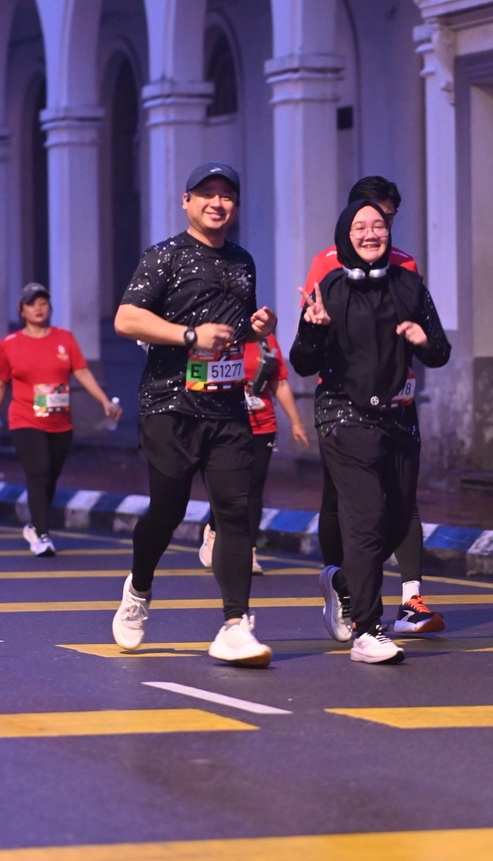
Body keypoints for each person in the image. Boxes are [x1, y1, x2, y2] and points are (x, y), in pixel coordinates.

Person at [112, 161, 276, 667]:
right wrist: (189, 335)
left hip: (227, 407)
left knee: (234, 513)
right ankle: (138, 589)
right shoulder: (164, 256)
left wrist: (257, 327)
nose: (216, 203)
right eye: (206, 193)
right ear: (187, 201)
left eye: (226, 195)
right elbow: (126, 318)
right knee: (168, 511)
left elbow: (232, 329)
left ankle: (235, 624)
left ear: (236, 206)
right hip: (170, 405)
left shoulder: (243, 261)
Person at [290, 199, 451, 664]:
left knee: (397, 521)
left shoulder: (410, 285)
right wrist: (313, 329)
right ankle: (367, 631)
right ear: (346, 235)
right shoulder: (329, 289)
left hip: (398, 418)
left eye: (377, 225)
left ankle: (343, 581)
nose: (370, 234)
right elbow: (302, 362)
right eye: (359, 227)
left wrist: (423, 340)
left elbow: (440, 350)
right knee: (366, 520)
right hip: (344, 415)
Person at [0, 282, 122, 556]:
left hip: (60, 422)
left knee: (50, 476)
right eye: (32, 304)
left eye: (43, 303)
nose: (38, 308)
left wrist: (104, 401)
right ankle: (42, 535)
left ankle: (34, 524)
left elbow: (82, 372)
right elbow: (0, 383)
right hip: (25, 418)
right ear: (21, 311)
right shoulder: (10, 344)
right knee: (39, 471)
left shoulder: (64, 338)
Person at [199, 333, 309, 573]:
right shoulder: (219, 334)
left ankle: (248, 550)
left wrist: (296, 422)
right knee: (226, 486)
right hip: (225, 425)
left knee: (253, 489)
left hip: (262, 425)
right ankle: (214, 533)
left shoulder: (265, 339)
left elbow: (279, 382)